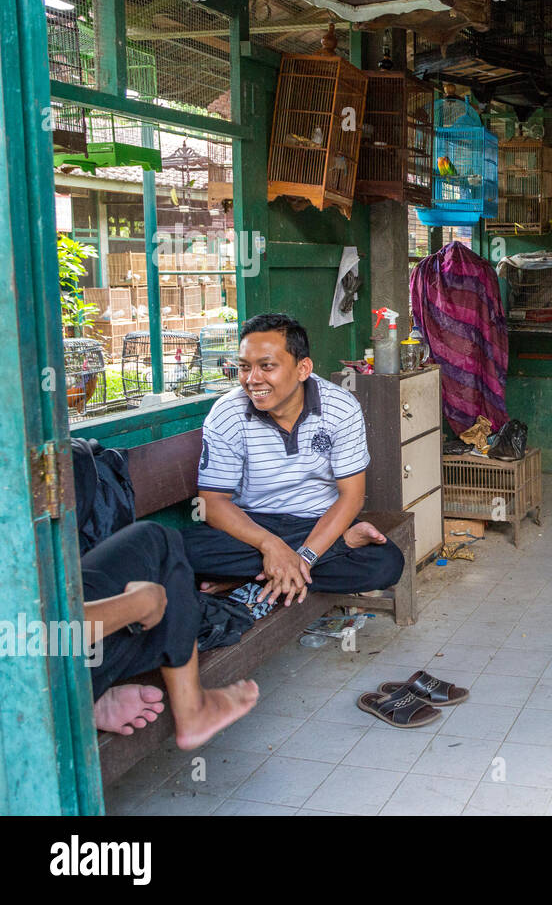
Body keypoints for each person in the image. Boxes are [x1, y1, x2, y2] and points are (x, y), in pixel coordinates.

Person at [182, 313, 404, 604]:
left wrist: (306, 555)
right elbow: (212, 502)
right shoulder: (227, 413)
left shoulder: (340, 407)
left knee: (386, 564)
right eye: (244, 367)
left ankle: (241, 579)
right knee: (176, 550)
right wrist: (270, 545)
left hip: (316, 522)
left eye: (267, 367)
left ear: (303, 368)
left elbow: (351, 498)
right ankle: (334, 548)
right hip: (250, 528)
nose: (252, 380)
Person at [84, 521, 259, 748]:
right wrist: (138, 604)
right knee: (156, 540)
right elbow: (38, 635)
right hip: (40, 671)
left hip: (54, 665)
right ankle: (193, 708)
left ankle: (86, 694)